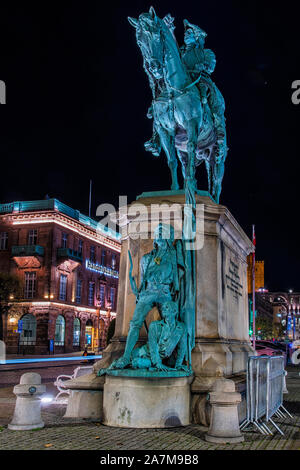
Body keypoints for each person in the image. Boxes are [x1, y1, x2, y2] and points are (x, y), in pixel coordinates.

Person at [109, 223, 185, 370]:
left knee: (172, 321)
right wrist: (138, 292)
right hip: (148, 293)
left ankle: (170, 356)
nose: (160, 236)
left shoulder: (173, 255)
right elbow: (143, 281)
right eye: (158, 233)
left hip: (164, 293)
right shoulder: (146, 259)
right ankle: (125, 357)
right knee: (135, 323)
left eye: (164, 233)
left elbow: (178, 277)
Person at [131, 300, 189, 372]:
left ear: (174, 311)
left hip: (154, 360)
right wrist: (158, 363)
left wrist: (178, 364)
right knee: (134, 362)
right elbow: (153, 347)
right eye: (163, 307)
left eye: (167, 307)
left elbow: (182, 348)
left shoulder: (181, 328)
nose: (163, 309)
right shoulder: (154, 325)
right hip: (142, 353)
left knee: (141, 363)